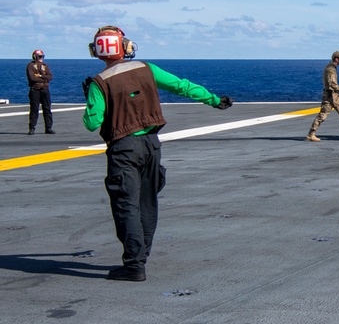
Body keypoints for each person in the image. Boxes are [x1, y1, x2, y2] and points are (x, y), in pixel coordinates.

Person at [82, 25, 233, 282]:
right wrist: (214, 100)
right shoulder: (147, 69)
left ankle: (134, 265)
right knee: (147, 202)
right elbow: (182, 86)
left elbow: (92, 122)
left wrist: (90, 96)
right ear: (126, 47)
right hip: (152, 145)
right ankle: (142, 256)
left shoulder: (99, 83)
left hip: (122, 149)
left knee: (126, 206)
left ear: (97, 52)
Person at [306, 51, 339, 142]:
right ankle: (311, 134)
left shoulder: (332, 68)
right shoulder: (331, 69)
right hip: (330, 95)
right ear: (336, 59)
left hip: (333, 95)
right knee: (323, 115)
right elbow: (332, 84)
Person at [26, 49, 54, 135]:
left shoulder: (45, 66)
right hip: (35, 90)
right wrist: (44, 78)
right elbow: (32, 78)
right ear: (35, 57)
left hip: (45, 90)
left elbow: (50, 77)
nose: (41, 58)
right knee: (34, 110)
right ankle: (32, 128)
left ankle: (48, 128)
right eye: (40, 56)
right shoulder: (30, 66)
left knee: (47, 109)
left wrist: (40, 76)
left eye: (42, 56)